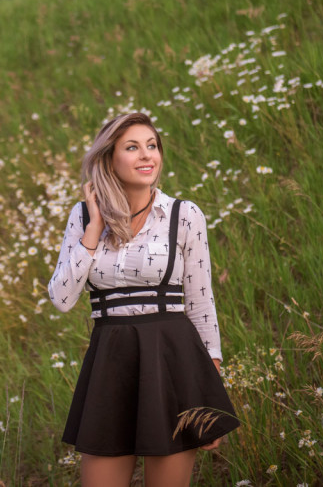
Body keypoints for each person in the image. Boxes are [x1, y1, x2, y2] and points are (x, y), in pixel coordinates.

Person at [49, 112, 240, 486]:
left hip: (173, 362)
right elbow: (61, 297)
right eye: (132, 147)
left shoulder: (184, 215)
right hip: (110, 362)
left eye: (152, 146)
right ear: (109, 159)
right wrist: (93, 231)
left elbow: (201, 303)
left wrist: (210, 392)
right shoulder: (83, 216)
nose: (146, 155)